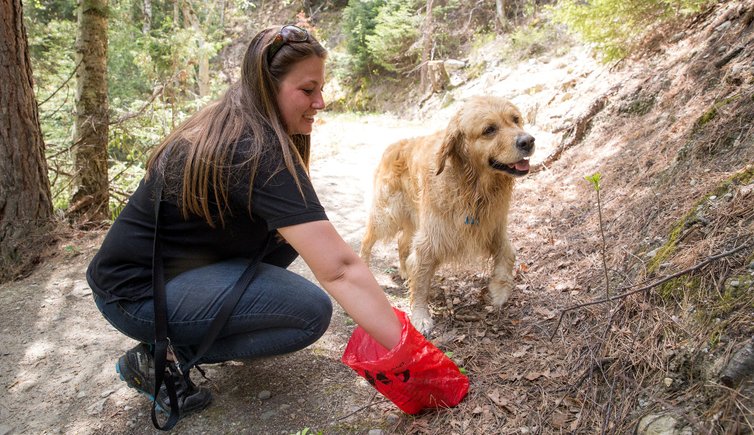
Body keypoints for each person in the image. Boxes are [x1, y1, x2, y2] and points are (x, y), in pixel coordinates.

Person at [87, 24, 402, 420]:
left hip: (166, 274)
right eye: (307, 90)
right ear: (267, 87)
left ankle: (191, 332)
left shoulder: (241, 117)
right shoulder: (251, 147)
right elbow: (339, 269)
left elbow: (317, 241)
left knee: (293, 232)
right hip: (134, 295)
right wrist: (408, 349)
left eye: (321, 88)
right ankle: (162, 356)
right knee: (309, 314)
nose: (320, 102)